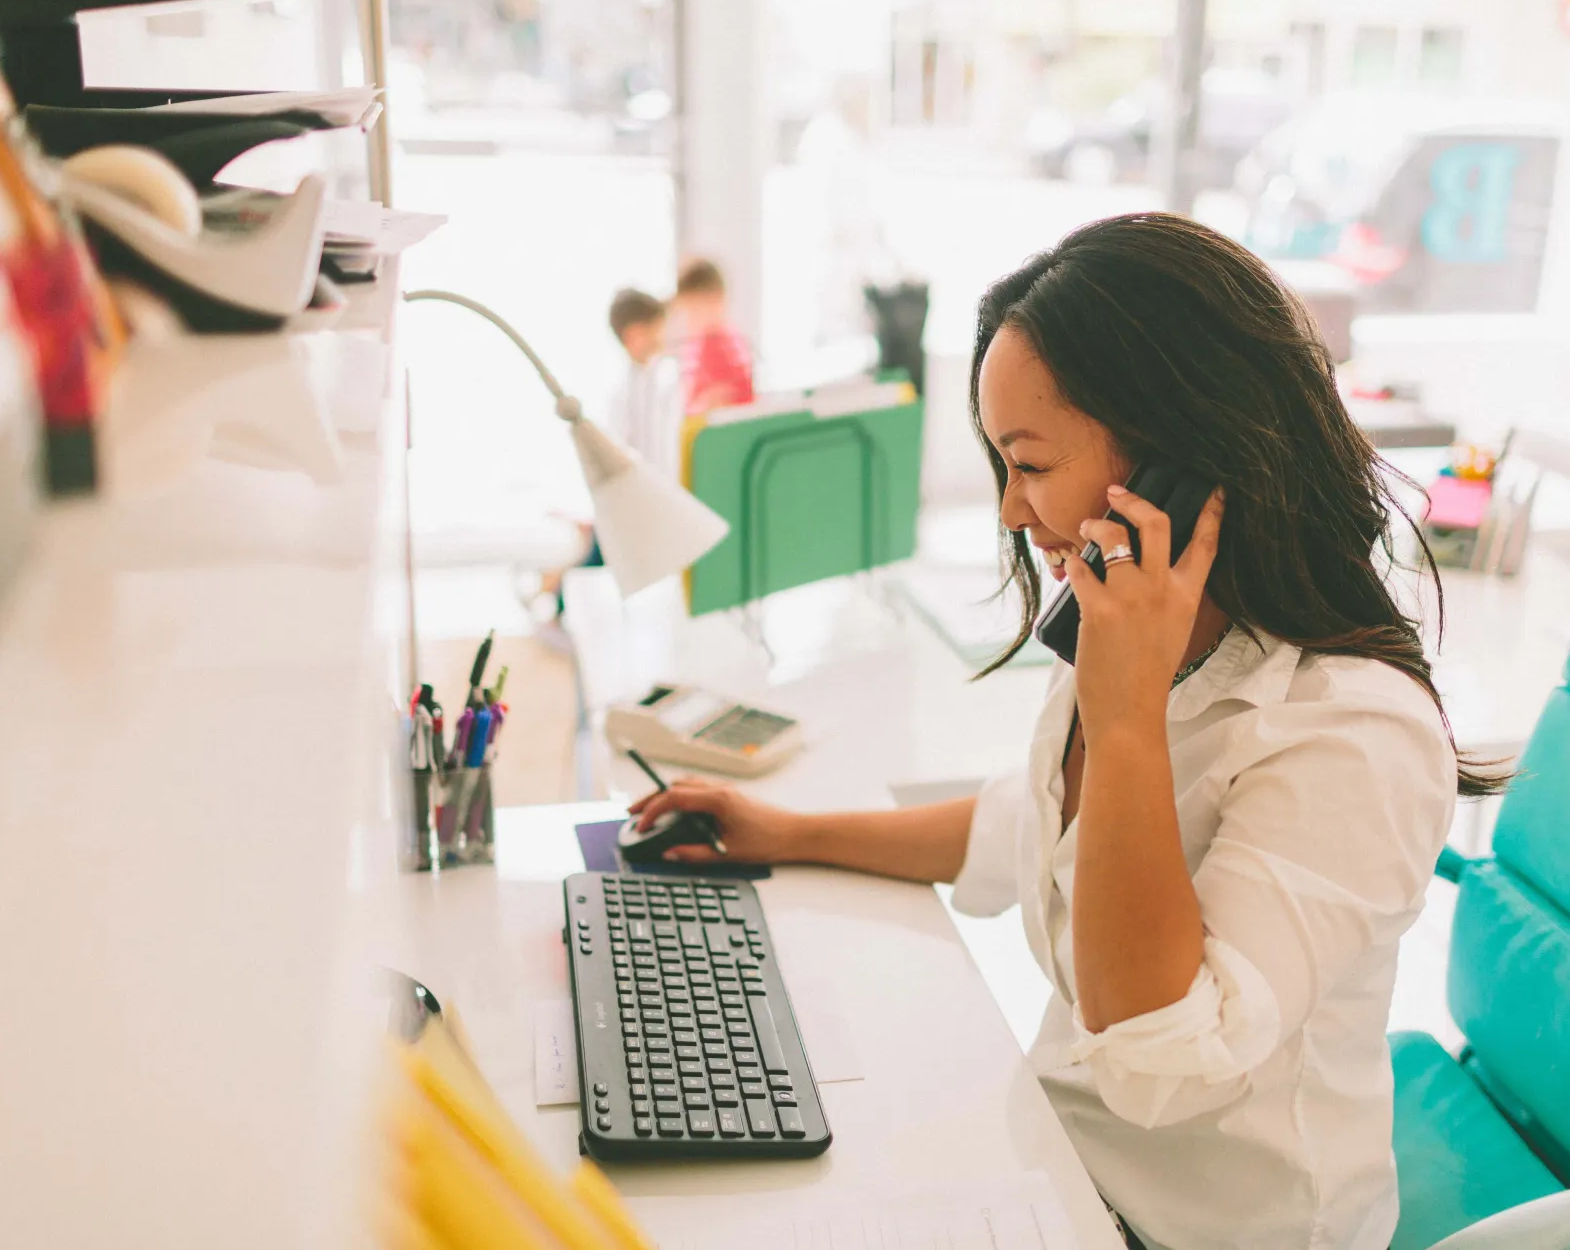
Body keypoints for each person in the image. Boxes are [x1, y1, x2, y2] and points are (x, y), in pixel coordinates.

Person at [629, 214, 1501, 1250]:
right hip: (1056, 1170)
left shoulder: (1351, 735)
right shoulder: (1149, 636)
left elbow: (1159, 1053)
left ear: (1178, 461)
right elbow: (1024, 824)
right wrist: (786, 829)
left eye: (1030, 464)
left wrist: (1124, 717)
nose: (1011, 510)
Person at [607, 288, 681, 476]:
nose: (661, 335)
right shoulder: (620, 393)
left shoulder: (661, 376)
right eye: (655, 328)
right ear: (634, 334)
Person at [671, 257, 756, 414]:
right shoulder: (706, 343)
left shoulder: (717, 343)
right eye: (688, 310)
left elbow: (729, 400)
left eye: (694, 309)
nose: (690, 319)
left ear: (717, 299)